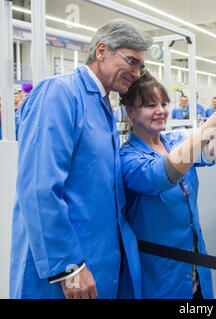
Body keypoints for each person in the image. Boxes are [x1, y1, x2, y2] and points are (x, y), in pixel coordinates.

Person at [10, 18, 152, 299]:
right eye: (132, 62)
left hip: (95, 260)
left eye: (141, 66)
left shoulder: (101, 104)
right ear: (102, 51)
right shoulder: (59, 94)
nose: (137, 73)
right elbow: (39, 188)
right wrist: (69, 267)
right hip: (63, 270)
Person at [119, 74, 216, 299]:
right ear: (130, 112)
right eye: (150, 105)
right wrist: (205, 131)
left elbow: (209, 154)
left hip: (193, 257)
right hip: (160, 269)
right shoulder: (127, 158)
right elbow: (160, 175)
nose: (161, 110)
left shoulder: (173, 141)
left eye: (164, 104)